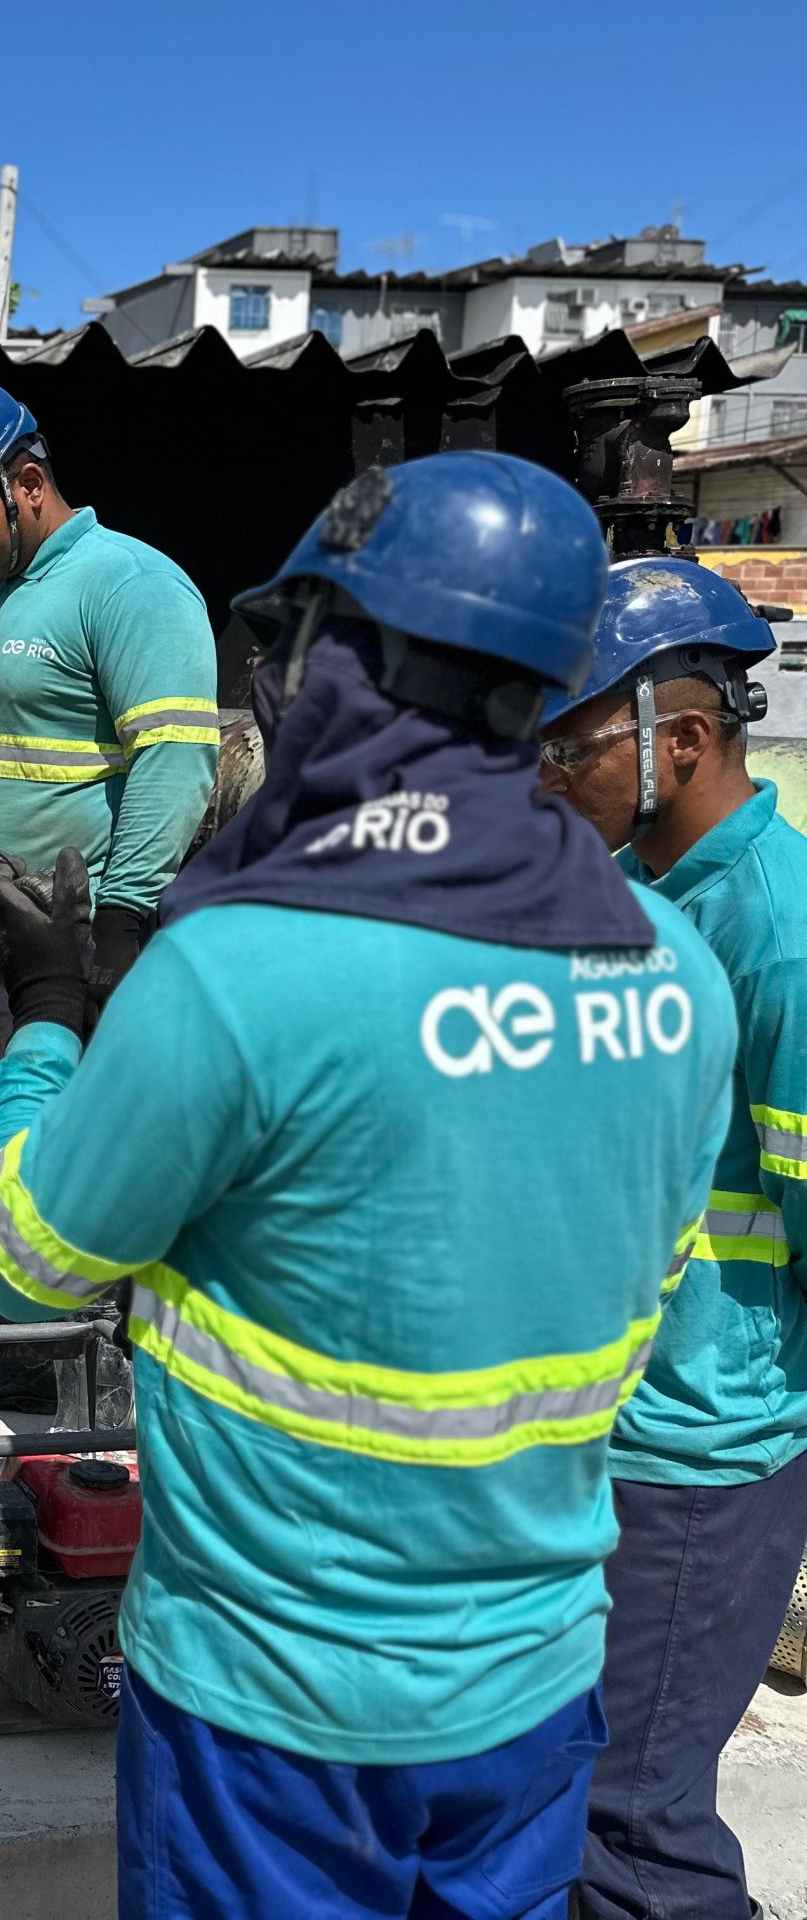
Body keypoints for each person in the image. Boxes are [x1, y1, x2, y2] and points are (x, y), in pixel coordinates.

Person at [0, 452, 737, 1920]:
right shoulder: (674, 970)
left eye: (294, 644)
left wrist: (53, 1016)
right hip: (531, 1690)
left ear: (350, 663)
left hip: (273, 1709)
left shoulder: (247, 968)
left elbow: (24, 1261)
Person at [540, 558, 807, 1920]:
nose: (546, 772)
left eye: (571, 742)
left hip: (704, 1460)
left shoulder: (783, 932)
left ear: (681, 738)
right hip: (611, 1436)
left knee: (632, 1824)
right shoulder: (627, 903)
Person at [0, 377, 218, 1320]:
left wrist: (120, 920)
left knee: (64, 1153)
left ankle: (53, 1339)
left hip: (63, 952)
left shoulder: (131, 586)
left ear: (27, 483)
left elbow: (176, 760)